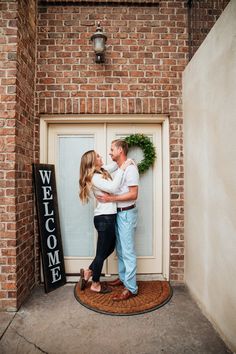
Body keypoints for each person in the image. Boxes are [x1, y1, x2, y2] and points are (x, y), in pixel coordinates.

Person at [79, 150, 132, 294]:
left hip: (108, 217)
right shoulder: (94, 177)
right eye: (98, 156)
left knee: (108, 248)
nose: (101, 157)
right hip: (104, 218)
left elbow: (115, 166)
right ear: (92, 162)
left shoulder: (102, 170)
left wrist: (121, 155)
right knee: (102, 253)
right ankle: (95, 284)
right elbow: (113, 187)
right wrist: (123, 167)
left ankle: (88, 272)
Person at [97, 139, 139, 301]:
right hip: (119, 214)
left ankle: (131, 288)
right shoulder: (120, 168)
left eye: (112, 149)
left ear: (120, 150)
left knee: (128, 252)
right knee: (120, 250)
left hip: (127, 214)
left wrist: (111, 199)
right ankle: (123, 278)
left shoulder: (130, 169)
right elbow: (99, 170)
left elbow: (133, 194)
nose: (109, 152)